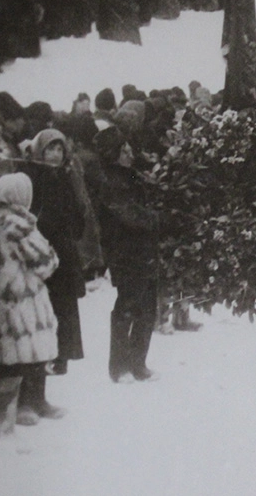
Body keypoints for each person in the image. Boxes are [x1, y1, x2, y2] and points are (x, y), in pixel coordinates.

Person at [0, 173, 59, 432]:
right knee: (16, 368)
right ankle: (0, 428)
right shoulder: (18, 225)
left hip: (0, 300)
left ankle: (0, 423)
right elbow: (46, 261)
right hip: (21, 304)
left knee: (7, 369)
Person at [22, 129, 85, 420]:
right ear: (39, 151)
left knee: (51, 332)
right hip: (36, 264)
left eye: (60, 150)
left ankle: (40, 398)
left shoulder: (63, 178)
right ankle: (25, 400)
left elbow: (77, 219)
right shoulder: (29, 179)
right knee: (33, 331)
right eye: (50, 150)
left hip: (60, 264)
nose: (55, 155)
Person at [92, 126, 161, 383]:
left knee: (148, 308)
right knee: (128, 306)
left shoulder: (130, 176)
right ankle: (119, 366)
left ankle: (138, 363)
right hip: (126, 253)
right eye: (125, 150)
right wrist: (158, 219)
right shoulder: (111, 182)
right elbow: (131, 216)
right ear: (114, 154)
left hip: (144, 251)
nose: (130, 153)